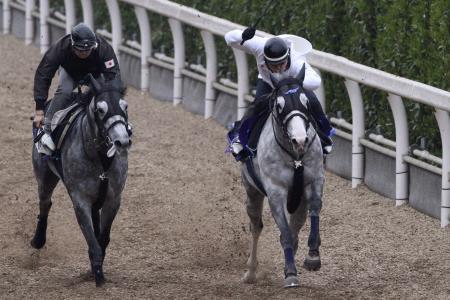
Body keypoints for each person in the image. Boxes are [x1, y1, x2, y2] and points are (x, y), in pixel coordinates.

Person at [224, 27, 334, 158]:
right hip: (268, 83)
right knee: (256, 106)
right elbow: (229, 38)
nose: (278, 69)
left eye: (282, 64)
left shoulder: (297, 60)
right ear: (265, 60)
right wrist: (243, 35)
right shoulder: (259, 46)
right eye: (274, 66)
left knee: (313, 101)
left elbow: (316, 81)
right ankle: (239, 138)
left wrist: (294, 83)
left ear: (287, 57)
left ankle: (324, 137)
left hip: (293, 86)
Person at [33, 23, 121, 155]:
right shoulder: (60, 48)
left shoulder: (103, 48)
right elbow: (43, 74)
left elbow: (113, 75)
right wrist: (39, 110)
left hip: (96, 75)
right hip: (70, 72)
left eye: (87, 50)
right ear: (72, 44)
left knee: (107, 94)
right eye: (80, 50)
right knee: (65, 90)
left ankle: (121, 127)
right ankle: (46, 130)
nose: (84, 53)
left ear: (94, 45)